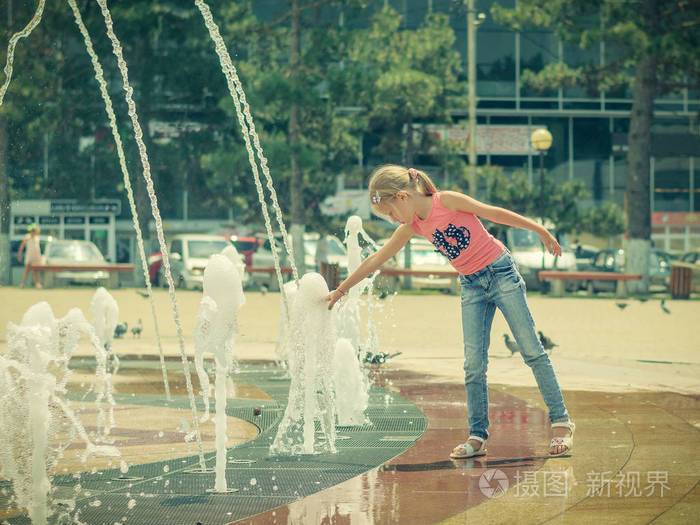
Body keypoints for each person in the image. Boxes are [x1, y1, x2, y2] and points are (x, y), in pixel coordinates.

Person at [325, 165, 574, 457]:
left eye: (391, 213)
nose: (393, 220)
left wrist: (539, 229)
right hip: (471, 286)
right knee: (473, 364)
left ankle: (561, 422)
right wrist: (341, 289)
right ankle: (478, 436)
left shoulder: (447, 201)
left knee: (531, 350)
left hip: (501, 273)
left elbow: (493, 212)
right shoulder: (413, 226)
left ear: (403, 197)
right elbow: (377, 258)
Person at [18, 223, 43, 289]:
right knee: (27, 271)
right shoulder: (27, 237)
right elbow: (22, 246)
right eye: (34, 231)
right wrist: (20, 255)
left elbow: (38, 248)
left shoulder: (37, 238)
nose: (34, 232)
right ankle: (23, 284)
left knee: (35, 271)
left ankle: (37, 284)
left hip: (36, 257)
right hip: (29, 257)